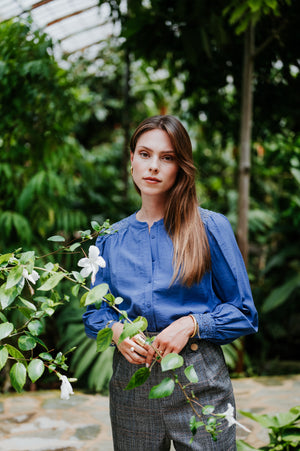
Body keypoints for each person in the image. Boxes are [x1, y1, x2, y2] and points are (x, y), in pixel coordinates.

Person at [82, 115, 258, 451]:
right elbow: (95, 313)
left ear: (181, 166)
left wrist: (191, 324)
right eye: (145, 154)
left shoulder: (210, 228)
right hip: (133, 382)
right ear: (131, 159)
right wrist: (118, 333)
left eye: (167, 157)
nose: (153, 167)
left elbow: (244, 312)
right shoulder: (108, 239)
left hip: (199, 378)